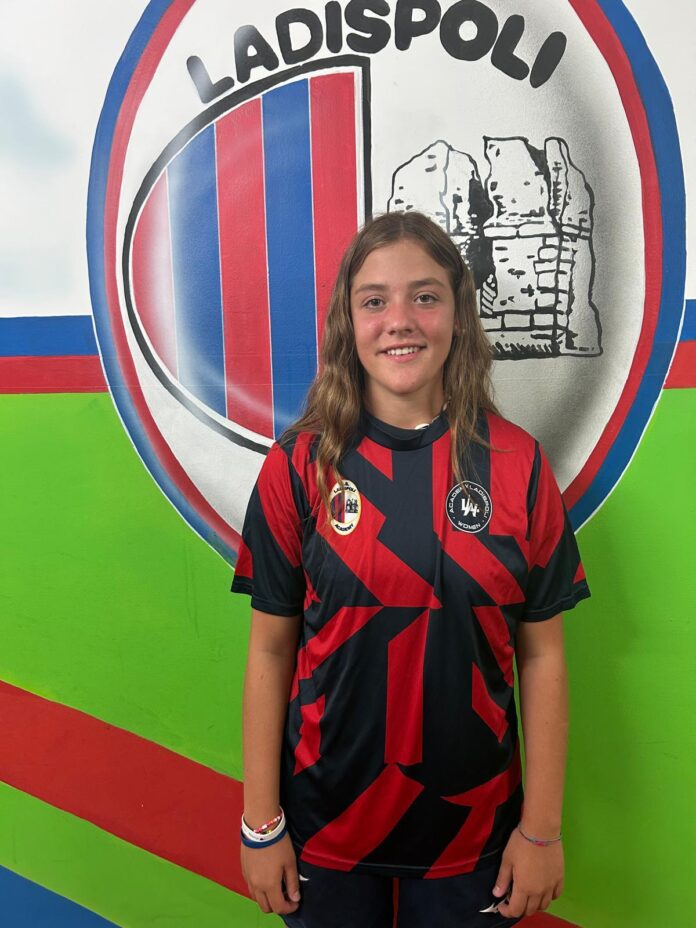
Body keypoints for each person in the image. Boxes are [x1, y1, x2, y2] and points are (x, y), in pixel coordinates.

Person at [231, 211, 590, 927]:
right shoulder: (298, 468)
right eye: (375, 300)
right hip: (324, 832)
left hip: (476, 838)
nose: (400, 320)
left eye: (425, 296)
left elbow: (542, 655)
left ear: (459, 314)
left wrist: (541, 831)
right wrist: (260, 825)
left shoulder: (518, 466)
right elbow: (271, 651)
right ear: (348, 321)